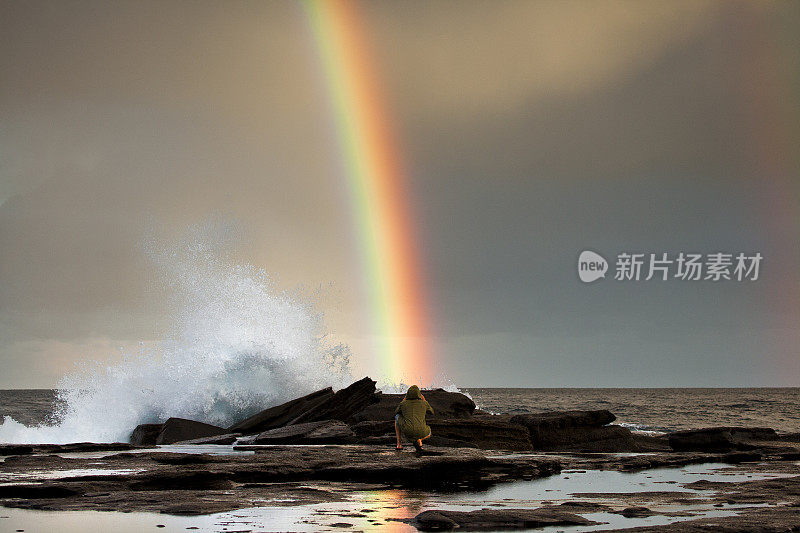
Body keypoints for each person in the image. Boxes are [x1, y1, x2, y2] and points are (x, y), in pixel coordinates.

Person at [394, 385, 434, 452]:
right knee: (429, 432)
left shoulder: (403, 403)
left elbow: (396, 412)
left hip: (407, 432)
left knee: (397, 416)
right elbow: (431, 412)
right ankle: (420, 440)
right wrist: (425, 400)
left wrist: (403, 400)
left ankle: (399, 444)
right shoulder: (424, 403)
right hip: (422, 432)